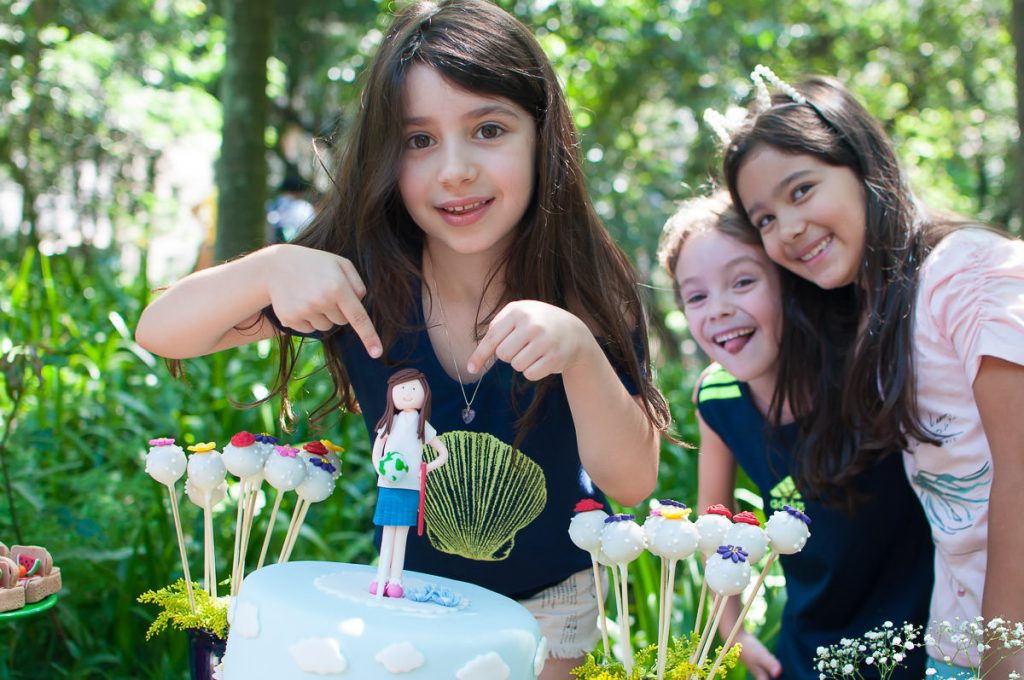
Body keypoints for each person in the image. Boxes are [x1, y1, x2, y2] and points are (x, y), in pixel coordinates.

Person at [135, 1, 670, 676]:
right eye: (419, 141)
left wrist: (579, 354)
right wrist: (269, 268)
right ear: (386, 157)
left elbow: (631, 480)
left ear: (542, 134)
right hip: (406, 601)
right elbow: (162, 332)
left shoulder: (588, 284)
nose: (454, 169)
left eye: (488, 129)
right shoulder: (361, 280)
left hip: (550, 612)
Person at [719, 68, 1024, 678]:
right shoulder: (871, 320)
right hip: (954, 642)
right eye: (765, 220)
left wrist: (1003, 662)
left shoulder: (964, 272)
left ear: (862, 164)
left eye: (801, 190)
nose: (789, 229)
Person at [658, 191, 933, 680]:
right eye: (696, 296)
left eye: (742, 281)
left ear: (788, 283)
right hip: (809, 653)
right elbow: (712, 521)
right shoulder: (716, 398)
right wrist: (732, 630)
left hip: (920, 642)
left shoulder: (864, 364)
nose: (717, 309)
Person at [370, 368, 450, 599]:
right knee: (387, 532)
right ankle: (380, 576)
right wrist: (380, 468)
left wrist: (424, 470)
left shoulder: (422, 425)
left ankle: (396, 580)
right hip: (388, 485)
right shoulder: (390, 422)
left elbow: (442, 453)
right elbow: (378, 450)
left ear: (424, 394)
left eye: (413, 388)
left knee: (401, 534)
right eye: (402, 388)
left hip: (410, 487)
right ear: (391, 393)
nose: (407, 393)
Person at [266, 171, 315, 244]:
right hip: (298, 246)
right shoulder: (305, 207)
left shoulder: (271, 205)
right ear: (300, 192)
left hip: (272, 246)